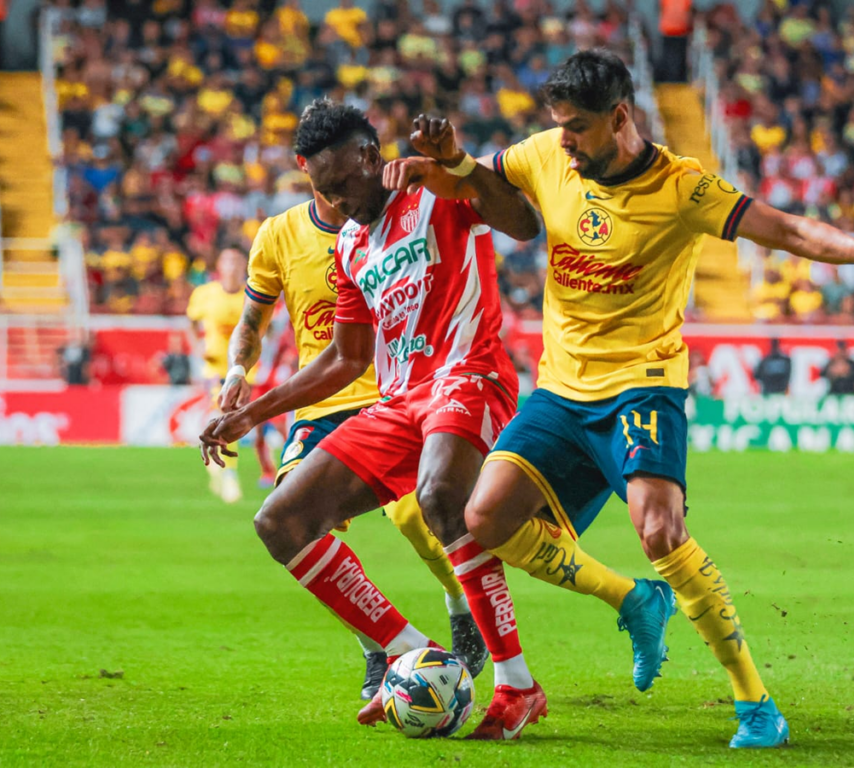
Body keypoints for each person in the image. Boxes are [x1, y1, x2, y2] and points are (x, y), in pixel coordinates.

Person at [397, 50, 854, 748]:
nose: (564, 140)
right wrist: (456, 166)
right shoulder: (547, 155)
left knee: (660, 531)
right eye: (557, 125)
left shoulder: (683, 187)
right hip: (560, 390)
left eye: (577, 127)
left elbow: (787, 229)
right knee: (483, 518)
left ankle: (755, 703)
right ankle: (635, 599)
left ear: (620, 118)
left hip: (642, 385)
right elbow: (500, 206)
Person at [199, 100, 673, 741]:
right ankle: (409, 656)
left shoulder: (436, 188)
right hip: (396, 401)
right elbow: (346, 358)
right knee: (280, 520)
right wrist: (251, 412)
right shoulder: (349, 245)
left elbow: (524, 224)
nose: (334, 202)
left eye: (341, 185)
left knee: (440, 498)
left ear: (371, 158)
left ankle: (516, 685)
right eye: (321, 190)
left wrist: (454, 161)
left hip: (469, 375)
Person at [215, 162, 488, 701]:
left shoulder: (382, 224)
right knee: (294, 524)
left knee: (414, 514)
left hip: (391, 394)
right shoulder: (277, 235)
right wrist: (236, 372)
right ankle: (378, 649)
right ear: (307, 170)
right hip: (319, 408)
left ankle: (461, 606)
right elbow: (251, 321)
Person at [187, 247, 275, 503]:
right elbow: (191, 323)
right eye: (227, 261)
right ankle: (229, 473)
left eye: (237, 262)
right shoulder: (204, 294)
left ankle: (227, 463)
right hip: (215, 367)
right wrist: (197, 347)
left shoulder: (252, 295)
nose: (232, 267)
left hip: (248, 369)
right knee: (229, 412)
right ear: (219, 266)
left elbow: (265, 327)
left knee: (249, 423)